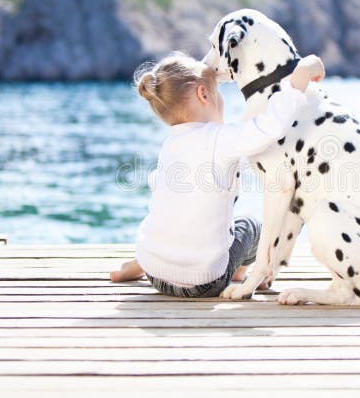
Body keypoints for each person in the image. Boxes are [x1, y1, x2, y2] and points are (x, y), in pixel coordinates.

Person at [110, 51, 325, 297]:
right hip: (204, 282)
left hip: (155, 273)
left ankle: (140, 263)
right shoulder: (219, 139)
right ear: (204, 95)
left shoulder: (170, 146)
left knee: (170, 216)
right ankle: (240, 272)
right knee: (251, 225)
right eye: (218, 93)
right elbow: (270, 126)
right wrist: (299, 78)